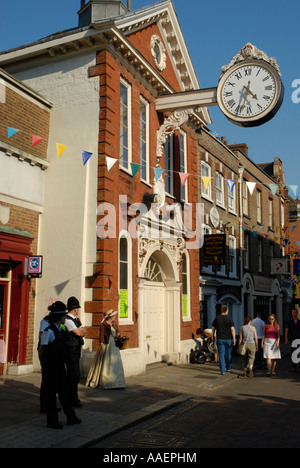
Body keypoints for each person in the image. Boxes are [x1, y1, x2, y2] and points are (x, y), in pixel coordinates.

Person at [38, 301, 82, 429]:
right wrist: (43, 364)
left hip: (60, 366)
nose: (65, 318)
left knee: (64, 392)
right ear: (60, 317)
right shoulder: (48, 331)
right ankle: (52, 421)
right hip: (51, 367)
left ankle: (71, 418)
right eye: (64, 316)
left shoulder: (61, 329)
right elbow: (42, 348)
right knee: (51, 394)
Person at [85, 309, 125, 389]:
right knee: (105, 363)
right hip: (107, 344)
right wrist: (102, 348)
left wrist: (117, 334)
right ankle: (106, 382)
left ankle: (117, 383)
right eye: (113, 316)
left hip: (114, 345)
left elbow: (118, 330)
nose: (115, 317)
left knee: (115, 363)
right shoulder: (103, 324)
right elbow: (101, 337)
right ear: (110, 317)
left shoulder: (113, 323)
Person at [64, 296, 87, 407]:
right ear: (75, 309)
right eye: (77, 308)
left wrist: (81, 331)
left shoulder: (76, 320)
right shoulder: (68, 320)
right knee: (73, 375)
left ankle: (72, 397)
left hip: (76, 349)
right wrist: (81, 331)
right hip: (70, 350)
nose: (78, 310)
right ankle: (71, 399)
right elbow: (79, 333)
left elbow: (84, 330)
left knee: (74, 375)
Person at [211, 305, 236, 375]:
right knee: (228, 354)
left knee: (221, 355)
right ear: (227, 310)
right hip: (228, 339)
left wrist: (212, 337)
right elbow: (232, 330)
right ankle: (228, 367)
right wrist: (234, 339)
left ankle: (222, 371)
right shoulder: (229, 319)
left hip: (220, 339)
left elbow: (213, 329)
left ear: (221, 310)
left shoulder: (217, 318)